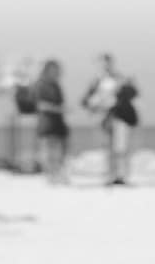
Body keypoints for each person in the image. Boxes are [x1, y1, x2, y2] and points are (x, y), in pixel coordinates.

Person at [82, 53, 138, 186]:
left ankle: (121, 175)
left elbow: (133, 93)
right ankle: (110, 175)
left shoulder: (120, 78)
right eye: (102, 64)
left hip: (120, 116)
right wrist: (95, 105)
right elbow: (86, 100)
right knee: (108, 147)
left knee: (121, 147)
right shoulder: (96, 81)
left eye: (107, 63)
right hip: (105, 118)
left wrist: (124, 88)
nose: (105, 66)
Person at [35, 59, 71, 184]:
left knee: (60, 151)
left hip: (58, 123)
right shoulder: (41, 85)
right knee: (48, 151)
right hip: (47, 123)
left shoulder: (56, 86)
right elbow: (40, 105)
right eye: (54, 70)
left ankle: (58, 175)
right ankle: (51, 176)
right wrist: (59, 109)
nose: (57, 73)